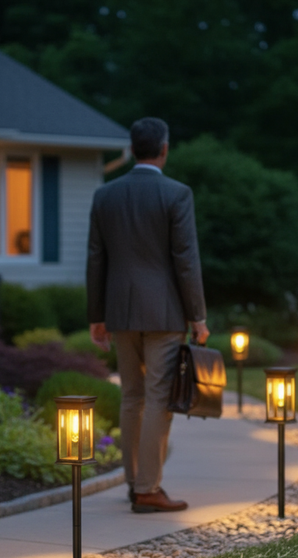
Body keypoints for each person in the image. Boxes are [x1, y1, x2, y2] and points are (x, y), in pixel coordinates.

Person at [86, 117, 209, 513]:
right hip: (164, 313)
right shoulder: (177, 194)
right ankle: (148, 489)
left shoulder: (105, 195)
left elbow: (95, 260)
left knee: (131, 397)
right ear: (164, 149)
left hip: (120, 311)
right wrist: (199, 317)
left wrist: (97, 315)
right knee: (158, 397)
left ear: (134, 148)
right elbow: (185, 261)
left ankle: (134, 482)